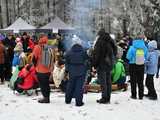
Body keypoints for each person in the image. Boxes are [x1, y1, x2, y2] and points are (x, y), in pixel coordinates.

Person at [92, 29, 117, 104]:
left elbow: (97, 55)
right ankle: (108, 98)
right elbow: (115, 50)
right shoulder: (110, 40)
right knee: (108, 82)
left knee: (103, 82)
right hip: (109, 64)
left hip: (102, 64)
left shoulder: (99, 42)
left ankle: (104, 98)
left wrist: (94, 64)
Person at [65, 41, 88, 107]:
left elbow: (66, 62)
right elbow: (87, 60)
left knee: (70, 86)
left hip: (72, 71)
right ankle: (78, 102)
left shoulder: (69, 52)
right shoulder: (83, 52)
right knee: (79, 87)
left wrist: (67, 70)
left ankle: (67, 100)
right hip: (81, 70)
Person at [126, 35, 148, 100]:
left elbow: (128, 57)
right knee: (140, 81)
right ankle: (141, 95)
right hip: (141, 65)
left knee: (133, 81)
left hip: (133, 65)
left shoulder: (132, 47)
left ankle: (134, 95)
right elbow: (146, 56)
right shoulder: (144, 47)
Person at [32, 34, 51, 103]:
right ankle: (47, 97)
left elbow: (34, 58)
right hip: (48, 69)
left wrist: (35, 66)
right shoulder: (49, 47)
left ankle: (45, 98)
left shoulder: (37, 47)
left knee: (43, 85)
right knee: (47, 84)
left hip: (40, 69)